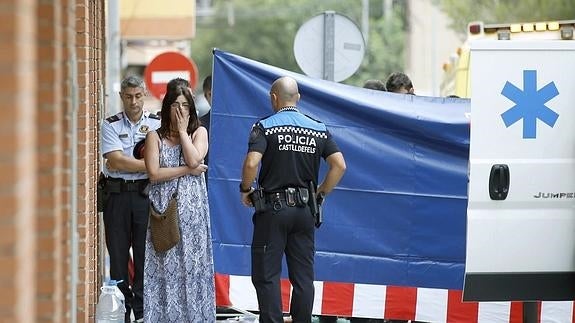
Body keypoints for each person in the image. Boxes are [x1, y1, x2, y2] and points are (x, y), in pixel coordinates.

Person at [239, 76, 346, 323]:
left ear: (274, 98)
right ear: (297, 98)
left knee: (267, 275)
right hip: (305, 212)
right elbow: (339, 165)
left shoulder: (265, 126)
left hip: (273, 211)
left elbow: (252, 162)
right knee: (303, 278)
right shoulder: (318, 128)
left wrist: (246, 189)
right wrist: (320, 193)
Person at [142, 83, 215, 321]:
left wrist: (183, 132)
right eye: (175, 105)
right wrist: (185, 170)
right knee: (165, 272)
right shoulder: (154, 136)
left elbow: (196, 160)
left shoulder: (199, 132)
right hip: (165, 215)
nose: (180, 111)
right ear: (166, 108)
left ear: (192, 108)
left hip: (193, 217)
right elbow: (154, 173)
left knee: (193, 272)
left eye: (185, 105)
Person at [100, 75, 161, 323]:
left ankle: (143, 312)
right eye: (128, 97)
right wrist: (149, 165)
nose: (133, 101)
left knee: (146, 256)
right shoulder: (110, 125)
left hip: (145, 196)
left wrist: (142, 167)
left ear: (144, 94)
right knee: (118, 256)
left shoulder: (157, 125)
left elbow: (163, 160)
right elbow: (115, 160)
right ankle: (121, 312)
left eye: (137, 96)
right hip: (117, 197)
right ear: (121, 97)